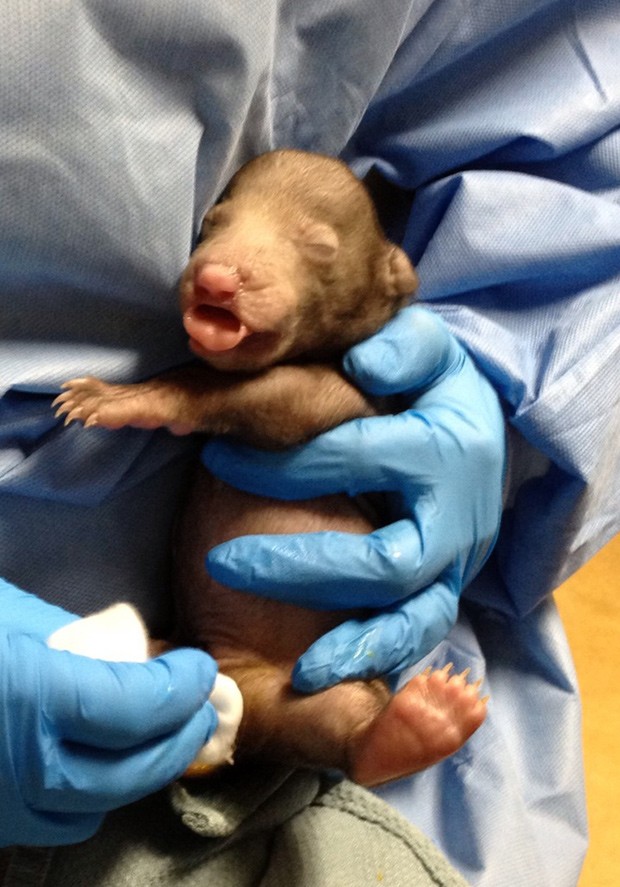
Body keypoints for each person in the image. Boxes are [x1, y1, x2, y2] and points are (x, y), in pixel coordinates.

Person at [0, 1, 618, 885]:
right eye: (213, 230)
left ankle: (373, 739)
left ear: (379, 286)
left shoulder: (353, 360)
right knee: (215, 697)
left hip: (313, 724)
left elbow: (578, 138)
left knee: (331, 711)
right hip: (175, 662)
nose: (217, 264)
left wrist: (500, 377)